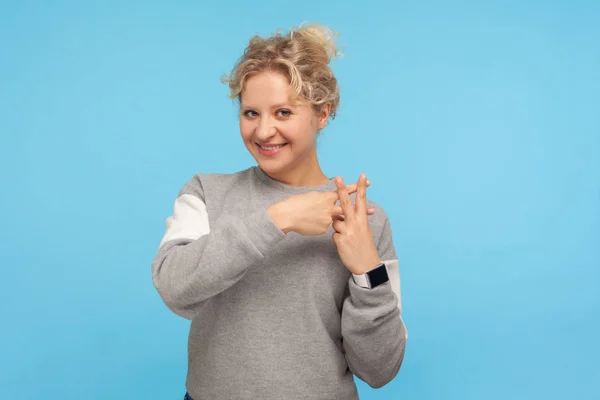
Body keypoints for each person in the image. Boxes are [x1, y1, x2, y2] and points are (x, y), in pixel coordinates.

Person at [151, 23, 407, 400]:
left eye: (283, 112)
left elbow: (380, 370)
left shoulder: (363, 218)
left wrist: (368, 271)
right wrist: (279, 218)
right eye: (251, 113)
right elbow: (173, 289)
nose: (264, 131)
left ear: (322, 114)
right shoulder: (206, 193)